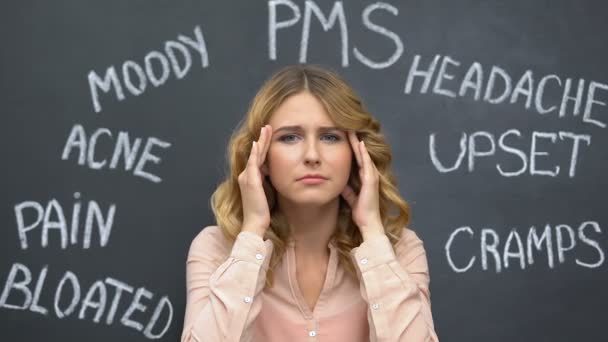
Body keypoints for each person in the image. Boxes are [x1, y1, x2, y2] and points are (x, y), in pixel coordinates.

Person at [180, 64, 439, 342]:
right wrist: (253, 230)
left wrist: (373, 234)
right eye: (290, 137)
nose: (312, 155)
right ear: (261, 156)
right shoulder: (216, 250)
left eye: (330, 137)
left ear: (356, 153)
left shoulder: (401, 251)